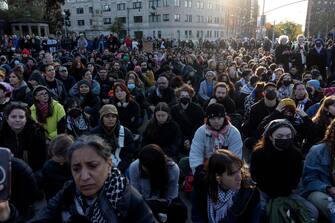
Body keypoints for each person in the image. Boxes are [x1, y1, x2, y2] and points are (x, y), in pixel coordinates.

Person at [29, 135, 157, 222]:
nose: (84, 177)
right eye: (76, 169)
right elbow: (45, 214)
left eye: (93, 166)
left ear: (109, 164)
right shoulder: (69, 190)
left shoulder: (130, 200)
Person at [250, 119, 318, 221]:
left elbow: (296, 177)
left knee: (312, 211)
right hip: (265, 192)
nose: (285, 139)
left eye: (288, 136)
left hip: (288, 193)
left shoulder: (296, 154)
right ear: (270, 136)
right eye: (280, 136)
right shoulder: (259, 153)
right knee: (260, 212)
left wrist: (286, 194)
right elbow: (256, 176)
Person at [192, 150, 261, 223]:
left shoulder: (250, 194)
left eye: (239, 171)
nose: (239, 178)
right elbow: (196, 215)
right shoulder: (202, 186)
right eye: (232, 174)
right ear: (218, 177)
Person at [129, 144, 187, 223]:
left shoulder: (173, 169)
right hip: (144, 202)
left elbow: (171, 196)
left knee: (180, 210)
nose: (144, 169)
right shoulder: (135, 167)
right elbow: (136, 196)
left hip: (164, 202)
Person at [189, 103, 243, 173]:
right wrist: (198, 171)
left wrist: (226, 174)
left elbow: (236, 157)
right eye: (213, 118)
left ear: (224, 117)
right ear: (208, 119)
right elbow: (195, 154)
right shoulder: (201, 131)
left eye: (219, 118)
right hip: (205, 167)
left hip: (227, 169)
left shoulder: (233, 133)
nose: (216, 121)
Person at [300, 119, 335, 221]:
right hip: (320, 190)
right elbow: (308, 180)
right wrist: (328, 188)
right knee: (332, 208)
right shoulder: (318, 150)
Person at [0, 102, 46, 171]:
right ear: (7, 119)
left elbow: (41, 162)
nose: (17, 120)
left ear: (26, 119)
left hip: (31, 172)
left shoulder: (36, 134)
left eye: (21, 117)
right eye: (13, 117)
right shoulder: (1, 133)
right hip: (7, 172)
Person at [90, 104, 135, 173]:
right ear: (102, 118)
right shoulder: (93, 134)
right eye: (107, 116)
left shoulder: (126, 133)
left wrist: (121, 167)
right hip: (101, 167)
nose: (110, 119)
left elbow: (129, 153)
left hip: (122, 166)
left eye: (113, 116)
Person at [35, 134, 73, 200]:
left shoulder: (74, 166)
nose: (53, 158)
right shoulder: (48, 166)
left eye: (57, 156)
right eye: (52, 154)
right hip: (53, 200)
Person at [171, 84, 204, 157]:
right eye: (182, 96)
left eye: (187, 96)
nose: (184, 98)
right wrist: (184, 140)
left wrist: (190, 139)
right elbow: (174, 126)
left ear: (190, 97)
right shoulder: (174, 109)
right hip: (179, 137)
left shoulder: (198, 109)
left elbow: (199, 126)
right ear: (178, 97)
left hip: (194, 137)